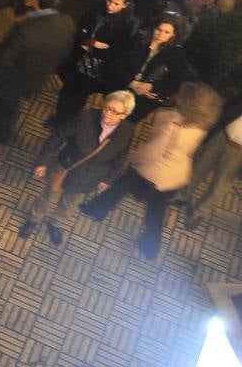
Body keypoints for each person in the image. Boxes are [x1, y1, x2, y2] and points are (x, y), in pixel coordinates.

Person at [80, 82, 223, 259]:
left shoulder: (169, 119)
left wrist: (135, 159)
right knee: (155, 211)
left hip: (151, 169)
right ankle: (150, 247)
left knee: (122, 185)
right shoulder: (200, 128)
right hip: (173, 176)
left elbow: (155, 145)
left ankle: (97, 209)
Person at [0, 0, 76, 159]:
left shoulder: (26, 30)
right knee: (10, 108)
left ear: (35, 0)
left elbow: (4, 59)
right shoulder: (67, 23)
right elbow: (64, 54)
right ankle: (3, 134)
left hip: (10, 80)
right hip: (34, 79)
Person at [19, 91, 136, 245]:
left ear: (124, 115)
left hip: (91, 177)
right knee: (48, 197)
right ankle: (34, 219)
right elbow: (58, 137)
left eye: (114, 111)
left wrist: (109, 179)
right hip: (66, 168)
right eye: (106, 108)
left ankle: (56, 223)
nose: (107, 113)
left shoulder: (127, 131)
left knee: (70, 204)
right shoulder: (85, 118)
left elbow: (121, 156)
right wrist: (43, 162)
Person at [48, 0, 138, 129]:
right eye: (110, 1)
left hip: (95, 69)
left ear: (125, 5)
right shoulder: (97, 9)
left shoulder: (126, 25)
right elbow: (81, 28)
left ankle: (66, 124)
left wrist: (92, 47)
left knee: (79, 97)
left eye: (116, 4)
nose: (110, 6)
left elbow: (115, 50)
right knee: (66, 90)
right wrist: (91, 42)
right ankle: (59, 117)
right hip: (78, 60)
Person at [104, 12, 193, 123]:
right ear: (153, 28)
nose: (161, 35)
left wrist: (151, 86)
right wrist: (132, 83)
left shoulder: (176, 53)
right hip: (122, 85)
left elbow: (175, 80)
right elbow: (118, 63)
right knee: (113, 108)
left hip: (145, 97)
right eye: (159, 30)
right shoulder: (139, 40)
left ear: (173, 35)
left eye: (167, 32)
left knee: (129, 121)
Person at [183, 105, 242, 231]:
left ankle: (199, 213)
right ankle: (181, 196)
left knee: (219, 187)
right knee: (198, 169)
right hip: (223, 135)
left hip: (239, 153)